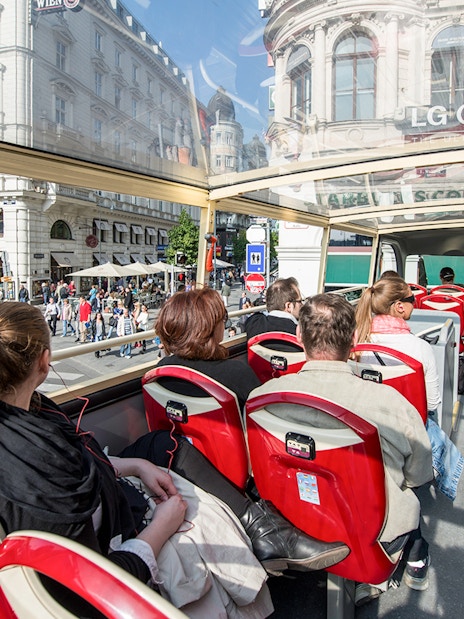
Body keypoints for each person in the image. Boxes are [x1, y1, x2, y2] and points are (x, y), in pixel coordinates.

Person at [0, 304, 347, 615]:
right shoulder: (49, 469)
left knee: (162, 442)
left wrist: (137, 465)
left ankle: (264, 530)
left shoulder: (36, 414)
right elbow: (91, 577)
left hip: (111, 479)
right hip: (121, 534)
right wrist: (162, 524)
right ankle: (266, 530)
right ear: (45, 361)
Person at [249, 294, 434, 598]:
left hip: (291, 522)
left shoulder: (262, 399)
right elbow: (418, 474)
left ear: (298, 336)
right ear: (353, 339)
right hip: (369, 536)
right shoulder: (390, 405)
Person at [355, 277, 463, 502]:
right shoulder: (421, 348)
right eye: (412, 299)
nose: (415, 302)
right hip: (406, 433)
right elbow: (432, 404)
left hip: (367, 424)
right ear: (400, 306)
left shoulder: (359, 343)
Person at [155, 287, 261, 412]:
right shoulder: (237, 374)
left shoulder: (162, 370)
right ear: (208, 327)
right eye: (222, 316)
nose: (224, 322)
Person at [245, 277, 304, 350]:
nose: (302, 305)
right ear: (288, 306)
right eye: (300, 301)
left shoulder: (253, 323)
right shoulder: (301, 334)